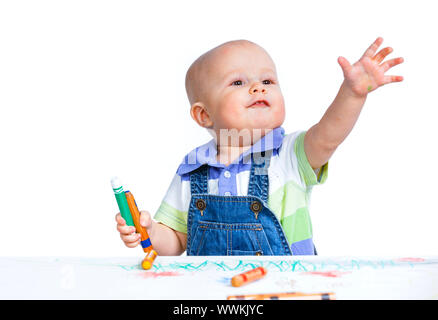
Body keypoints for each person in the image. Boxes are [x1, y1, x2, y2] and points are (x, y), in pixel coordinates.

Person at [116, 37, 403, 255]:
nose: (258, 87)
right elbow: (177, 239)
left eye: (267, 80)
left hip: (291, 290)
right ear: (204, 115)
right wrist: (149, 231)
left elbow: (329, 135)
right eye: (238, 82)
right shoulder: (193, 169)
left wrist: (352, 94)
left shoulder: (290, 155)